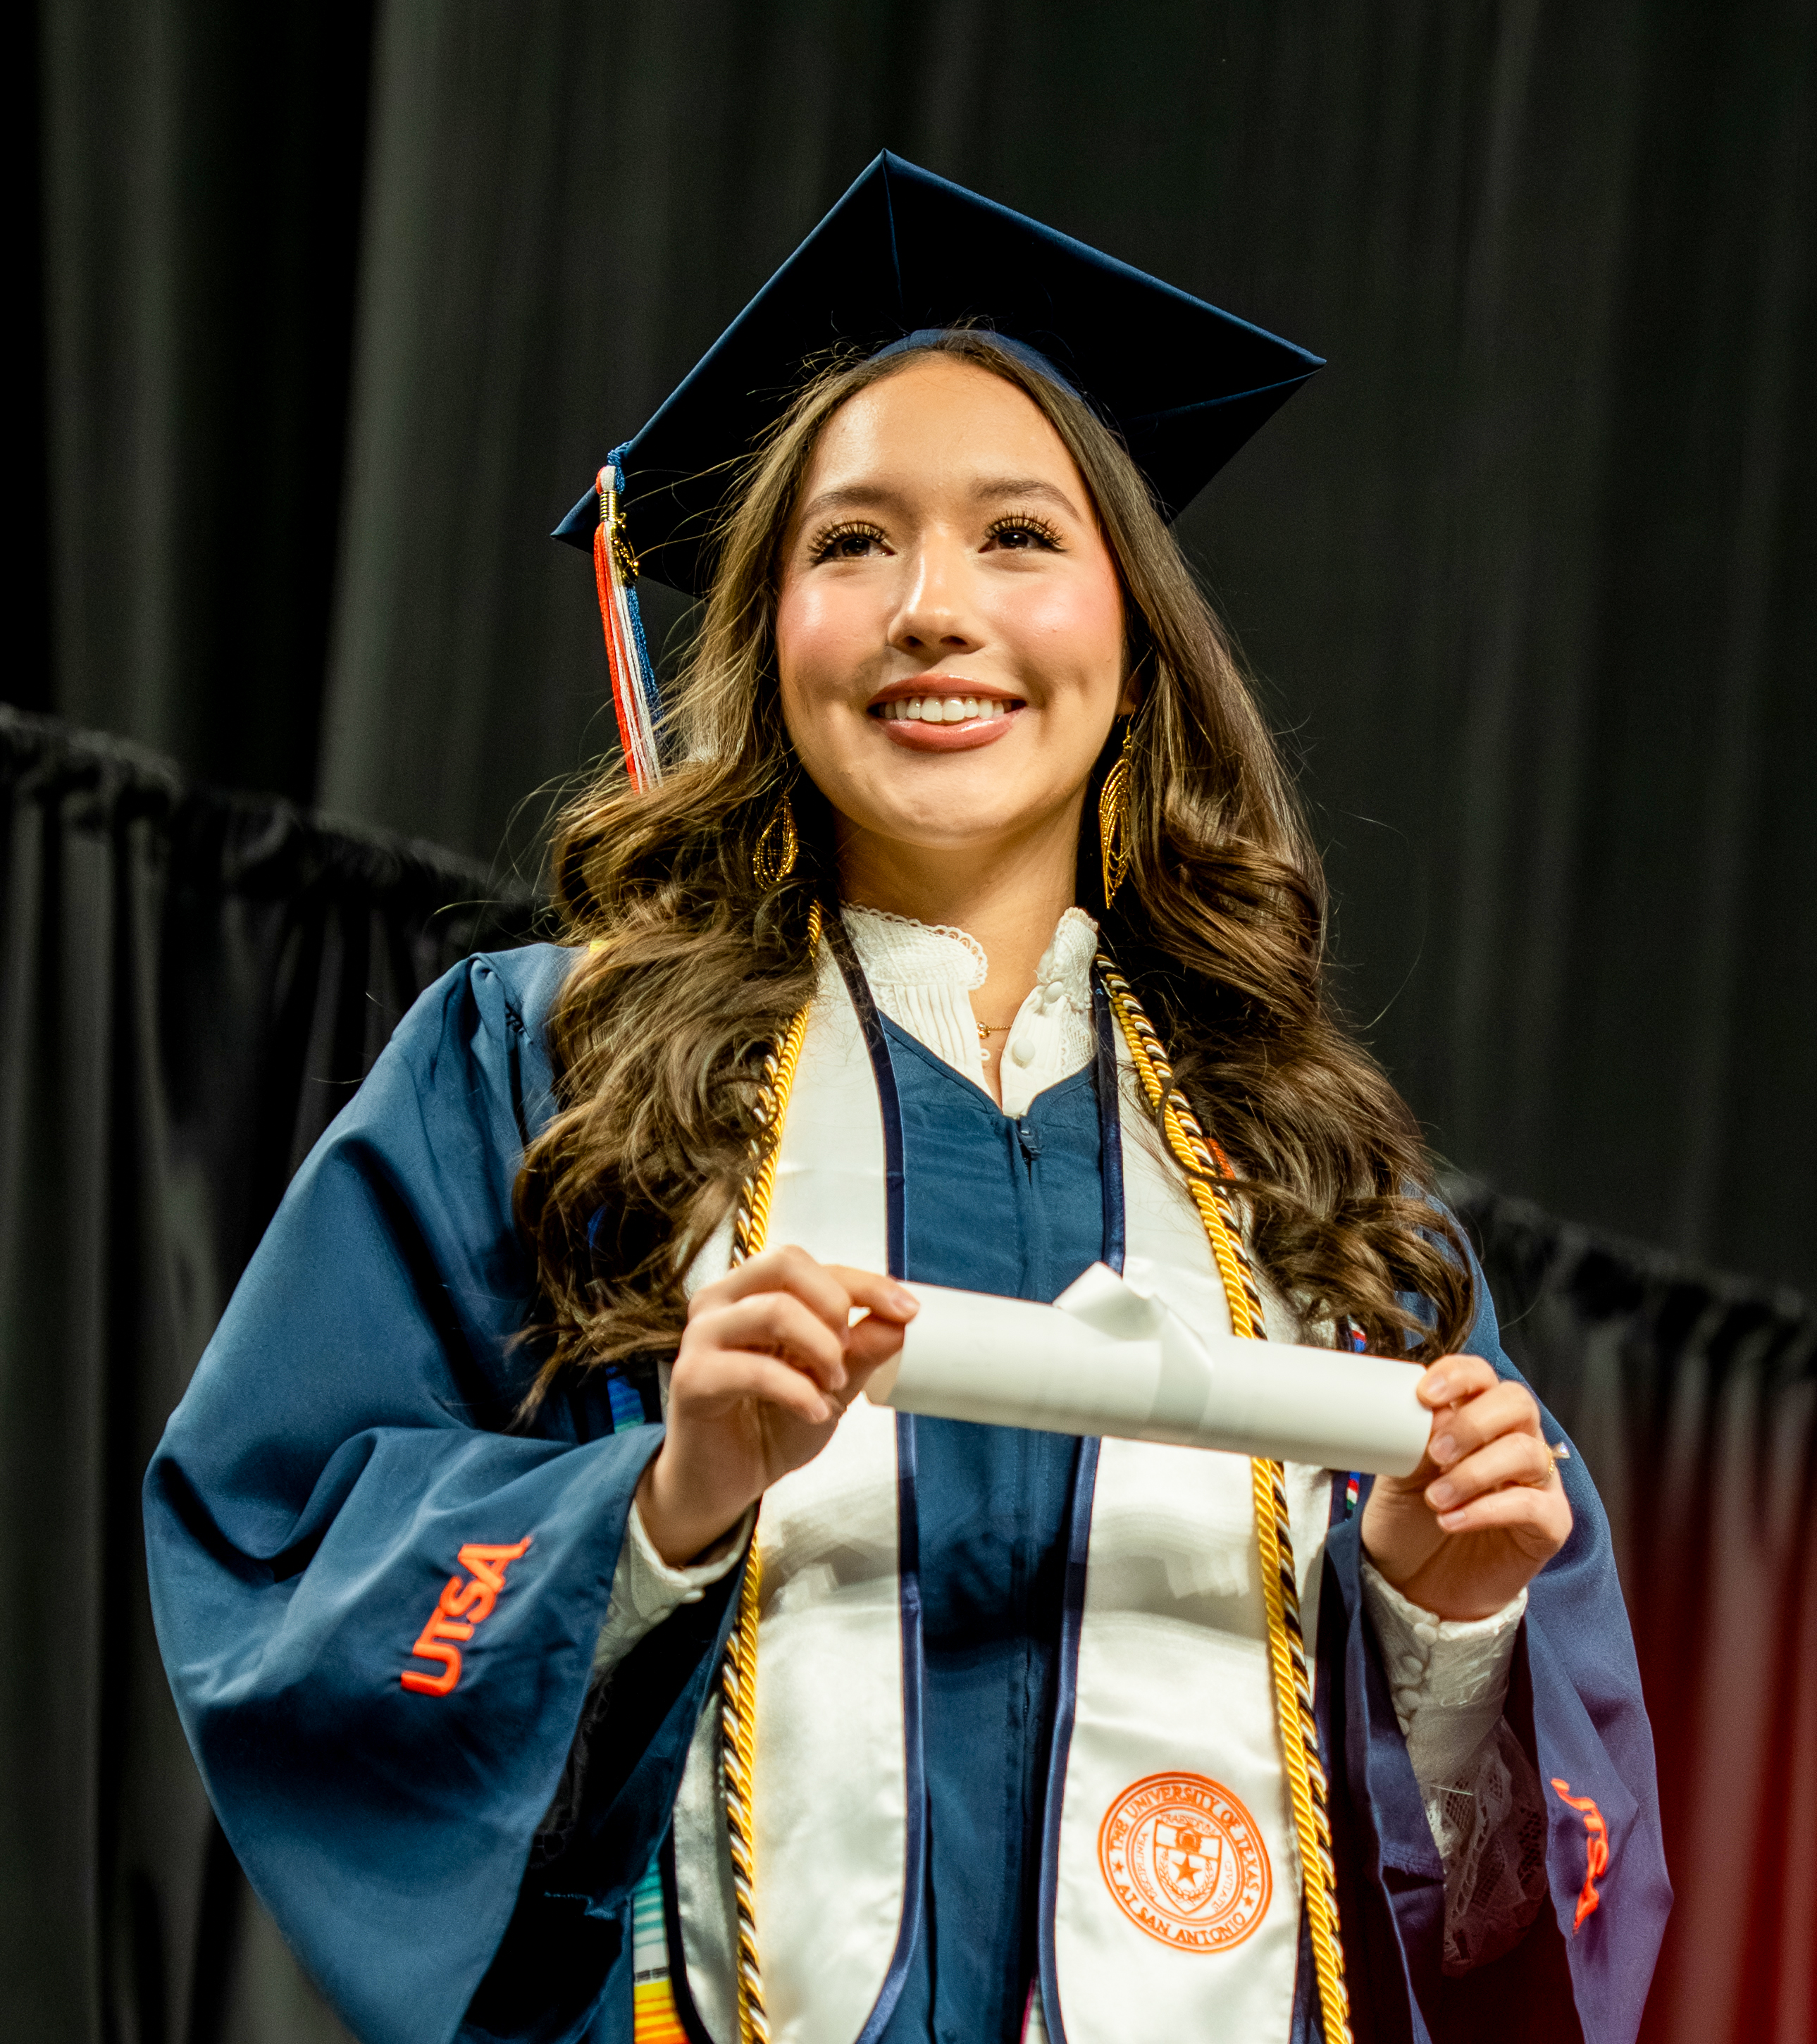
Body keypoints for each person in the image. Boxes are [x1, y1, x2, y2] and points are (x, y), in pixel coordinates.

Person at [144, 155, 1668, 2044]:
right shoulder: (555, 1076)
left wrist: (1446, 1633)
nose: (933, 608)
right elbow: (287, 1548)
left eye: (1018, 536)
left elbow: (1515, 1924)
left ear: (1131, 640)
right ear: (767, 632)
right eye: (851, 542)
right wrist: (661, 1503)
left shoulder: (1323, 1197)